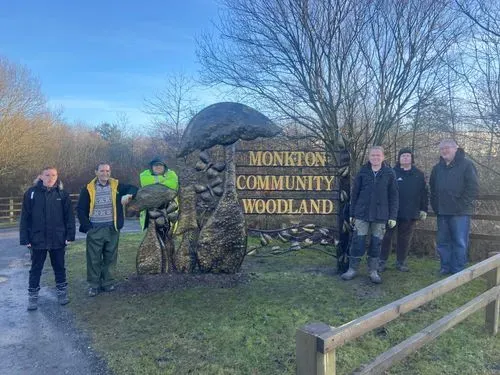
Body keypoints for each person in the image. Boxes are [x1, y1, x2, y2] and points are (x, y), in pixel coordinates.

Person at [77, 163, 137, 297]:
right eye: (102, 171)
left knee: (110, 257)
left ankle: (108, 283)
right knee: (94, 259)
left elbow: (134, 188)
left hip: (112, 228)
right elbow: (80, 209)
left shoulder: (117, 186)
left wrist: (128, 196)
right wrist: (88, 227)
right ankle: (93, 285)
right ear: (96, 172)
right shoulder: (88, 189)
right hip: (95, 229)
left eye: (107, 170)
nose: (105, 173)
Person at [20, 167, 75, 311]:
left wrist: (70, 235)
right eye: (47, 175)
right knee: (36, 269)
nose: (51, 177)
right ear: (40, 176)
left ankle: (62, 293)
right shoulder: (31, 194)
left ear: (57, 177)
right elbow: (25, 218)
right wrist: (25, 238)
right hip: (37, 239)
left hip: (58, 238)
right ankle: (33, 297)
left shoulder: (62, 194)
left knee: (59, 267)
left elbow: (69, 217)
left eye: (54, 175)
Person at [341, 146, 398, 284]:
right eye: (373, 155)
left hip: (381, 215)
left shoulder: (389, 173)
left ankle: (373, 271)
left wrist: (392, 216)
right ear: (369, 157)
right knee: (357, 242)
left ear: (383, 157)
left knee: (376, 243)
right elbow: (355, 194)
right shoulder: (363, 172)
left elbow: (394, 196)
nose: (375, 158)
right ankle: (352, 269)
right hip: (361, 214)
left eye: (378, 155)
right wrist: (352, 213)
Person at [430, 139, 478, 275]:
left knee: (459, 242)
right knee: (443, 241)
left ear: (455, 149)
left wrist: (462, 205)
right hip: (442, 211)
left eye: (447, 148)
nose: (444, 151)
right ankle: (445, 268)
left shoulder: (467, 165)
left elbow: (472, 188)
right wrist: (435, 206)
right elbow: (432, 189)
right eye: (442, 149)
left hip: (460, 212)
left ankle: (458, 270)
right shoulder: (437, 168)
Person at [379, 148, 428, 272]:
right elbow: (384, 191)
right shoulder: (392, 172)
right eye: (403, 156)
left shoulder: (419, 174)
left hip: (410, 212)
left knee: (405, 239)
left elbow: (424, 193)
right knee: (386, 237)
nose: (405, 158)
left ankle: (401, 262)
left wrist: (423, 209)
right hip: (391, 213)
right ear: (399, 158)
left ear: (412, 158)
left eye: (408, 156)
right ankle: (381, 261)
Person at [139, 157, 179, 231]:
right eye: (155, 165)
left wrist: (155, 183)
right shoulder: (144, 174)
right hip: (151, 212)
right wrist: (163, 180)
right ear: (151, 167)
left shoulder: (172, 174)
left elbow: (173, 185)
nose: (158, 167)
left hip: (169, 210)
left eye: (160, 165)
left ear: (164, 166)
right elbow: (145, 183)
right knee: (152, 236)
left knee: (168, 236)